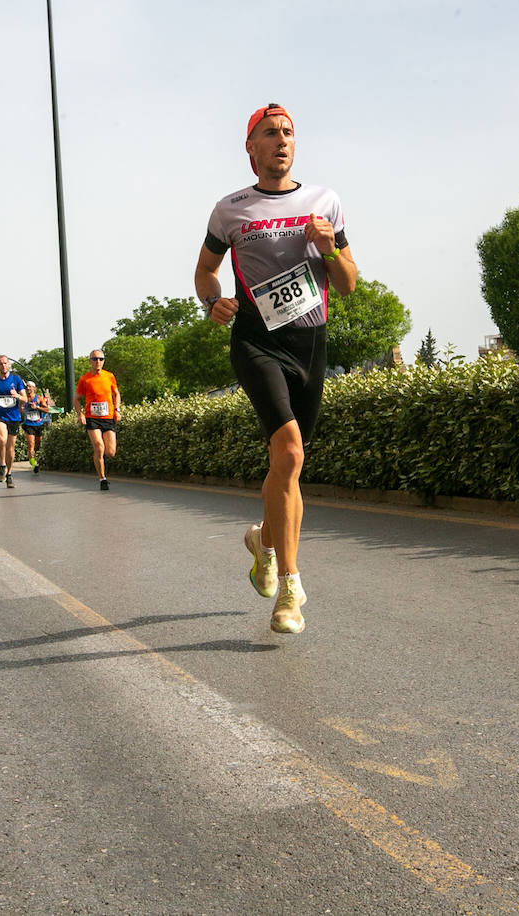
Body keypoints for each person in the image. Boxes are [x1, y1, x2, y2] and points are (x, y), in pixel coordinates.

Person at [193, 103, 358, 635]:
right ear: (251, 147)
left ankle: (263, 540)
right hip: (255, 341)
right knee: (288, 451)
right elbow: (205, 271)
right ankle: (290, 589)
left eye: (288, 132)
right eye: (270, 133)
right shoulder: (230, 210)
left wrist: (329, 250)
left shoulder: (325, 202)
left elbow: (347, 283)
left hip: (310, 344)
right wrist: (213, 302)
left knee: (287, 466)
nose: (281, 140)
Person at [74, 348, 122, 491]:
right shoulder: (85, 379)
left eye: (101, 359)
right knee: (99, 447)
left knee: (110, 452)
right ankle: (102, 479)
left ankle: (99, 459)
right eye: (95, 359)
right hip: (92, 418)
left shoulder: (109, 376)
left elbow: (116, 394)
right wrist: (80, 414)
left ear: (103, 361)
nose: (98, 362)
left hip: (108, 417)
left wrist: (117, 410)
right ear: (90, 361)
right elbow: (76, 399)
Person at [0, 354, 28, 489]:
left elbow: (25, 398)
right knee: (2, 439)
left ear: (9, 364)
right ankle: (2, 465)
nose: (3, 366)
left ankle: (9, 474)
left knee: (10, 448)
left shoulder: (16, 379)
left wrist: (17, 396)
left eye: (5, 363)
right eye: (0, 363)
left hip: (14, 417)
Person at [20, 382, 52, 473]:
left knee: (38, 445)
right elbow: (19, 409)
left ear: (34, 388)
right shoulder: (24, 399)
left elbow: (47, 410)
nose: (28, 388)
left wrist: (37, 407)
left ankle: (35, 459)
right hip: (28, 424)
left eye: (30, 387)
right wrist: (21, 409)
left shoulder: (39, 398)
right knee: (31, 445)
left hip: (38, 424)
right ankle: (34, 465)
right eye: (26, 387)